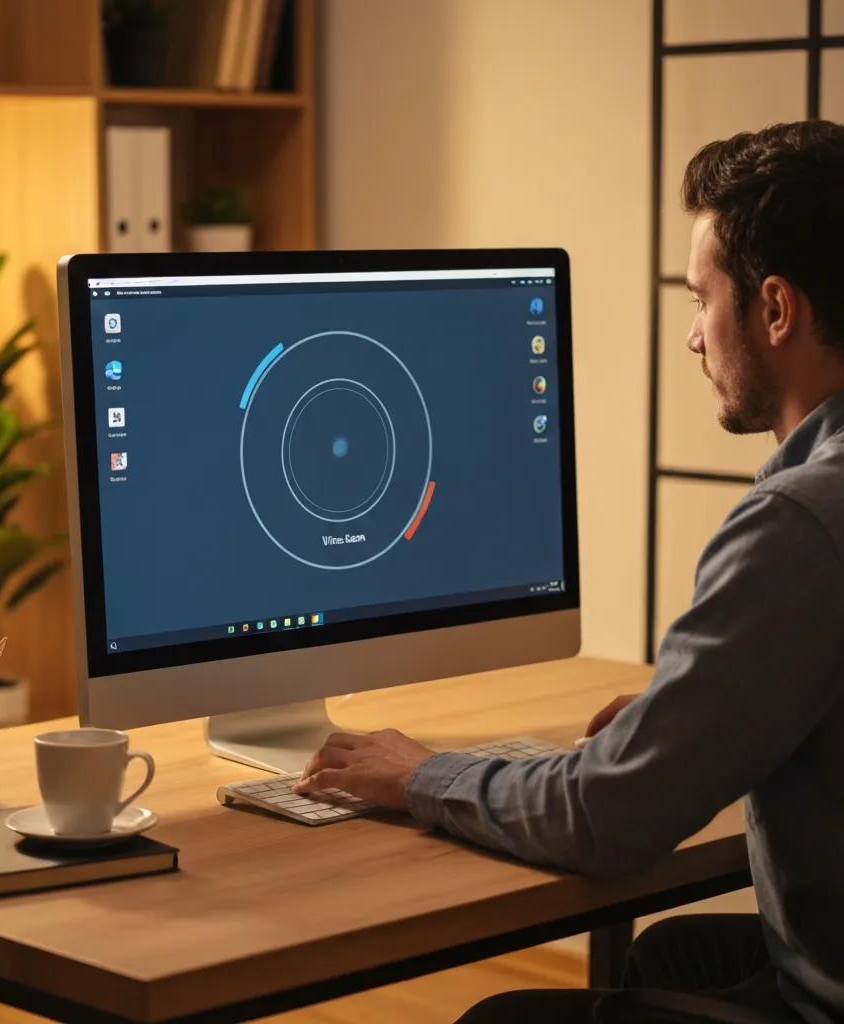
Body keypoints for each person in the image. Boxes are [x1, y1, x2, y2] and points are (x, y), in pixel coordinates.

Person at [295, 120, 844, 1024]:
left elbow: (606, 819)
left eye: (702, 299)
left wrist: (422, 774)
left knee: (500, 1020)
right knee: (669, 954)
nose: (695, 337)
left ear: (776, 309)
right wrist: (701, 714)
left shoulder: (802, 522)